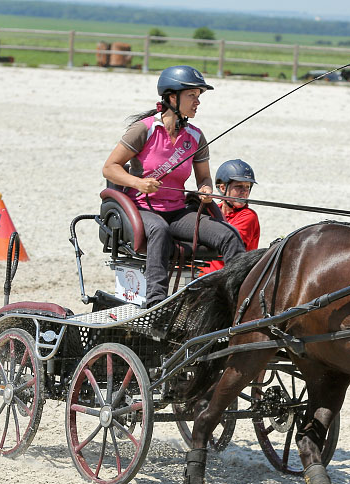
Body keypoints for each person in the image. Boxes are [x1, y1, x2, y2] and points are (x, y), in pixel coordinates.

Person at [102, 65, 245, 306]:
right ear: (171, 97)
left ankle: (240, 298)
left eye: (199, 96)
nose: (197, 102)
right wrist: (139, 183)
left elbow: (204, 179)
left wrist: (206, 191)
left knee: (229, 235)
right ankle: (157, 303)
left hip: (178, 211)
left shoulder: (196, 136)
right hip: (142, 209)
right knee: (159, 230)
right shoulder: (144, 130)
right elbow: (110, 168)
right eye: (192, 96)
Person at [201, 159, 260, 274]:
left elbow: (229, 245)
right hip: (201, 276)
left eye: (247, 187)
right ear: (223, 188)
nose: (244, 192)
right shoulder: (212, 210)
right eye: (238, 187)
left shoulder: (248, 216)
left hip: (227, 278)